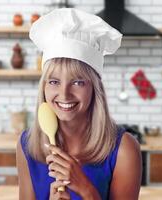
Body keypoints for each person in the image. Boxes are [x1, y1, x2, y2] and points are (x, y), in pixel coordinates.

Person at [16, 8, 142, 200]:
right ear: (44, 87)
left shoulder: (124, 149)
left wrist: (85, 189)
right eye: (54, 81)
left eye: (78, 82)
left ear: (95, 88)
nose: (64, 94)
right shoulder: (26, 144)